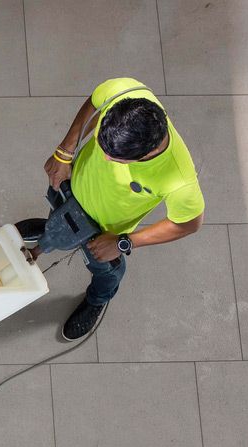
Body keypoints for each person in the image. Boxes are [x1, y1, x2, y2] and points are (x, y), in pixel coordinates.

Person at [17, 77, 205, 340]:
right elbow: (95, 101)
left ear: (145, 155)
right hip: (72, 190)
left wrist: (123, 243)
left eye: (114, 157)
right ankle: (48, 229)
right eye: (102, 146)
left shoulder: (179, 181)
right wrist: (65, 152)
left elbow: (189, 223)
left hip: (104, 233)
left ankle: (98, 299)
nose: (104, 157)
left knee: (106, 271)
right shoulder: (126, 90)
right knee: (57, 220)